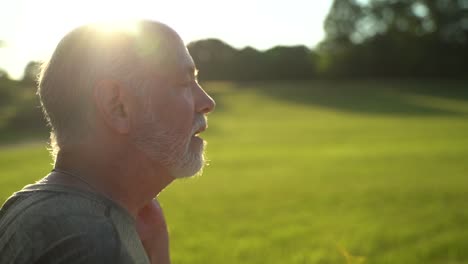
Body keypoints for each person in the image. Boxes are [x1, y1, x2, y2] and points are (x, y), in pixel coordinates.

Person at [0, 19, 215, 263]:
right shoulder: (95, 244)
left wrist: (156, 250)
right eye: (184, 83)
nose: (207, 102)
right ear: (118, 105)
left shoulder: (26, 206)